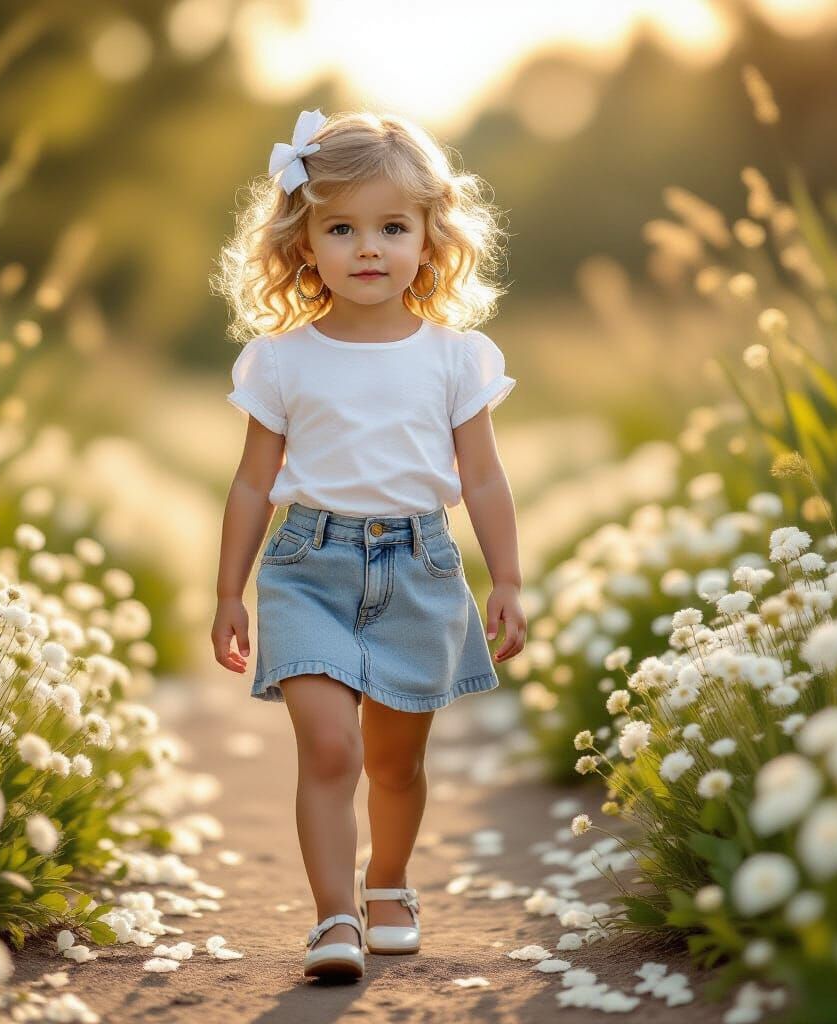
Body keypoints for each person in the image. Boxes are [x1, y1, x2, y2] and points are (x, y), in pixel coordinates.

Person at [209, 108, 527, 982]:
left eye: (392, 226)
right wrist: (230, 591)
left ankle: (388, 883)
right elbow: (250, 485)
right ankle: (334, 917)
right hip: (306, 567)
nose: (368, 248)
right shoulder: (280, 361)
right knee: (331, 749)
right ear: (304, 241)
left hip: (420, 568)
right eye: (341, 227)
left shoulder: (456, 358)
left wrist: (506, 577)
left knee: (395, 762)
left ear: (431, 236)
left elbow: (486, 481)